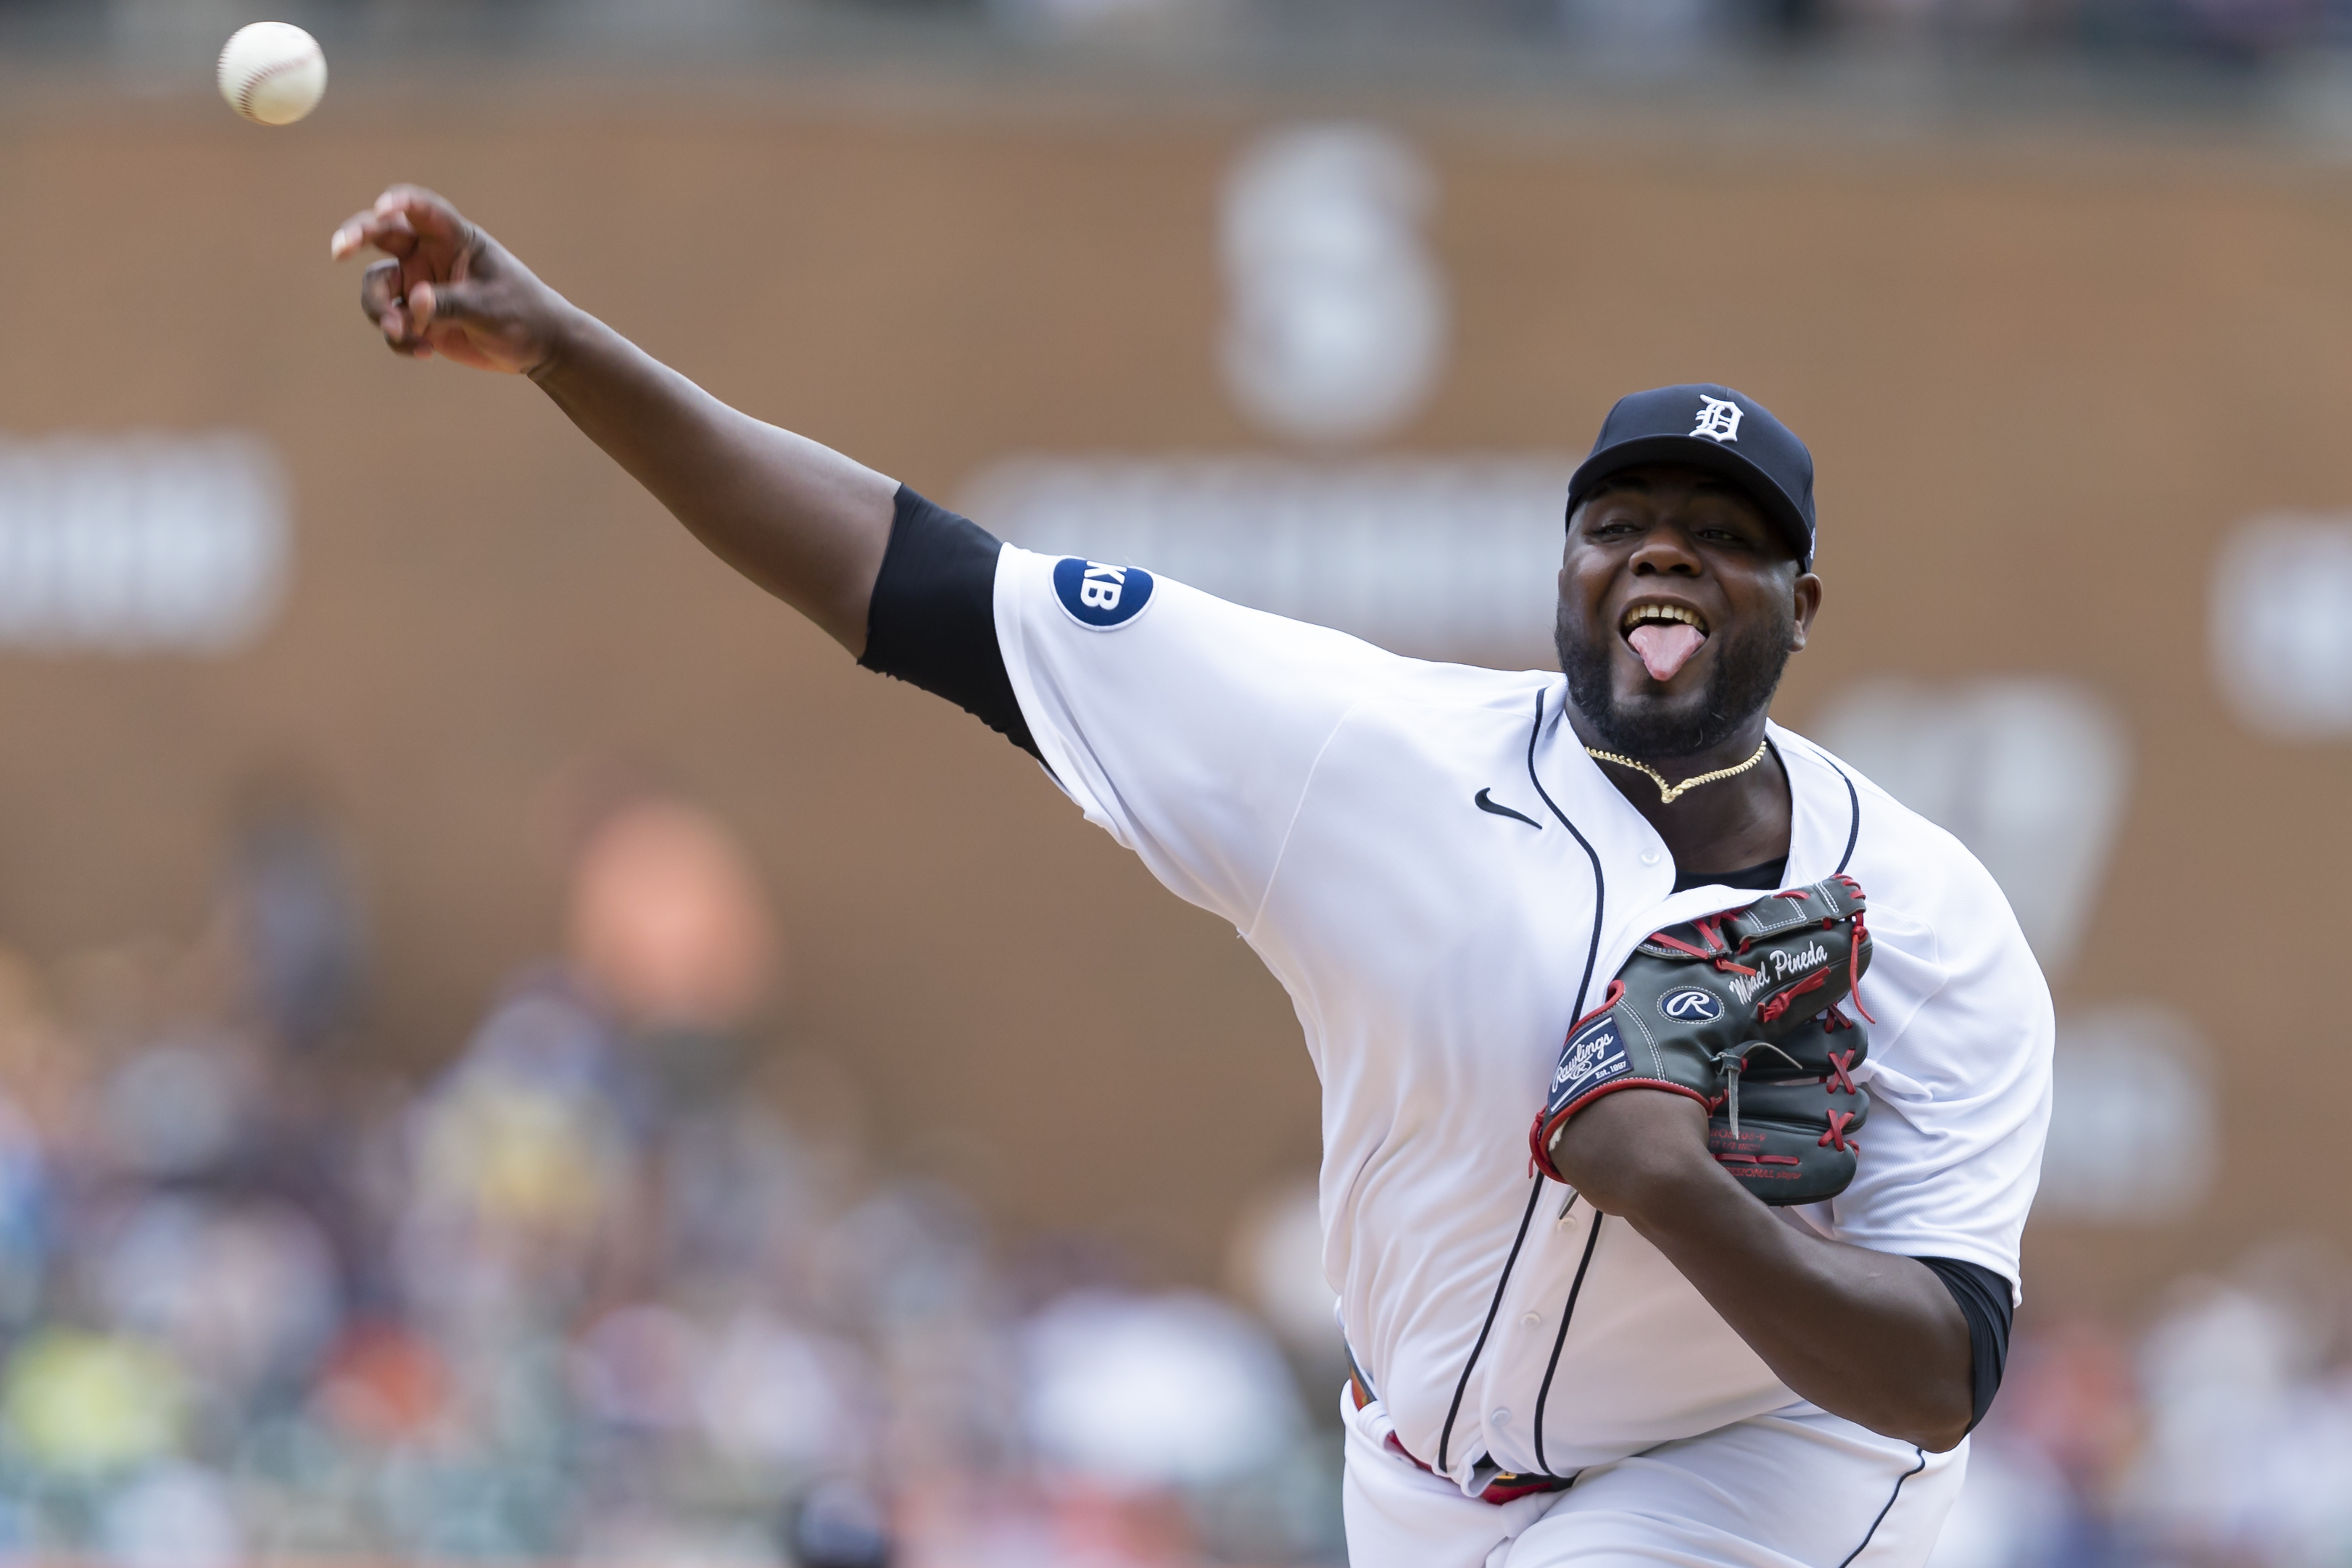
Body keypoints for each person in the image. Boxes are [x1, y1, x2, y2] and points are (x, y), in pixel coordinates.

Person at [330, 186, 2051, 1568]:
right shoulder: (1364, 755)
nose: (1664, 543)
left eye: (1727, 528)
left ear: (1798, 604)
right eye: (1623, 516)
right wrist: (561, 347)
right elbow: (906, 575)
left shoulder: (1929, 919)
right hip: (1420, 1476)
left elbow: (1934, 1376)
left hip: (1763, 1470)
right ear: (1568, 570)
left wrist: (1671, 1184)